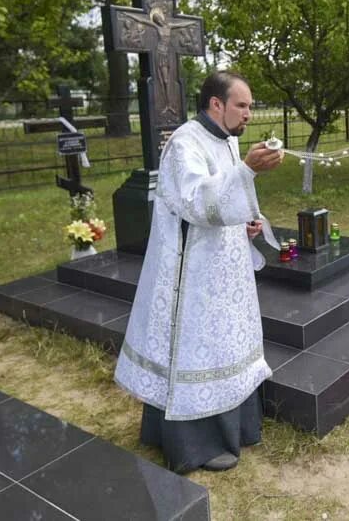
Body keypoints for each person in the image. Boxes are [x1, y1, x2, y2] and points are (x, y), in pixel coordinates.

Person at [114, 71, 285, 474]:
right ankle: (197, 444)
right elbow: (194, 201)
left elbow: (227, 198)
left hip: (226, 268)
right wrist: (246, 172)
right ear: (216, 104)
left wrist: (246, 221)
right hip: (193, 275)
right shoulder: (184, 144)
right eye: (242, 105)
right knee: (199, 345)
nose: (248, 114)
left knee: (226, 343)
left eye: (250, 106)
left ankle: (236, 428)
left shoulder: (227, 140)